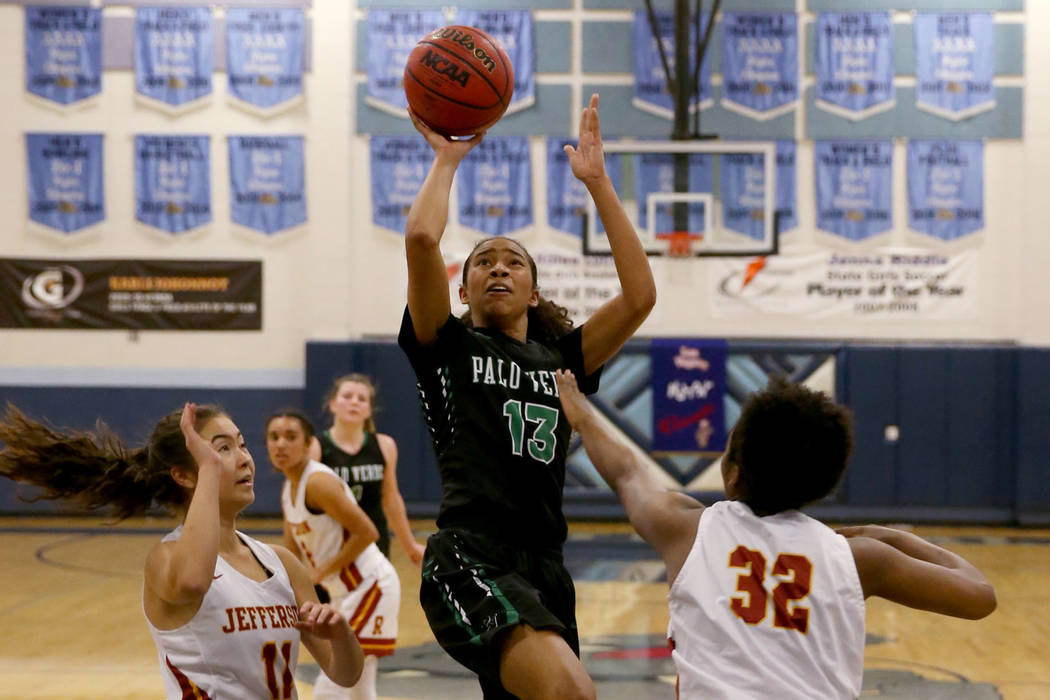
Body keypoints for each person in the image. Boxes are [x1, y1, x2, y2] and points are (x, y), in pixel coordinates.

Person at [398, 92, 656, 700]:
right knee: (572, 694)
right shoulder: (448, 345)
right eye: (482, 263)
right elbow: (419, 241)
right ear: (462, 292)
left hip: (545, 564)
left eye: (513, 263)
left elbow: (641, 296)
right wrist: (447, 160)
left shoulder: (561, 360)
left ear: (534, 293)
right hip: (470, 555)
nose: (497, 269)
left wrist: (597, 185)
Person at [553, 370, 998, 700]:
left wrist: (582, 415)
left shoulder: (687, 529)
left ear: (732, 473)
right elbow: (980, 595)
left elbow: (627, 473)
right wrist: (892, 536)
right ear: (825, 480)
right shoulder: (860, 558)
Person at [0, 402, 364, 699]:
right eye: (222, 448)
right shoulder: (167, 558)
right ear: (185, 475)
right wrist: (208, 468)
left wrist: (342, 635)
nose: (243, 458)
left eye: (242, 444)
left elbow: (344, 674)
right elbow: (193, 580)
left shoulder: (280, 561)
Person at [267, 409, 400, 700]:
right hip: (344, 591)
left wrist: (319, 572)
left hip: (370, 584)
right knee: (359, 688)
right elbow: (291, 555)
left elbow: (368, 532)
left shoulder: (317, 482)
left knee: (334, 683)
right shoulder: (289, 488)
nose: (280, 444)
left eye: (291, 437)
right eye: (274, 437)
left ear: (308, 444)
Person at [309, 373, 426, 566]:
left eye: (362, 399)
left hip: (375, 543)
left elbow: (391, 498)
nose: (354, 402)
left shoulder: (385, 445)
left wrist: (409, 544)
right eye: (347, 396)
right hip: (332, 544)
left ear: (369, 410)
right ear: (332, 404)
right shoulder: (316, 446)